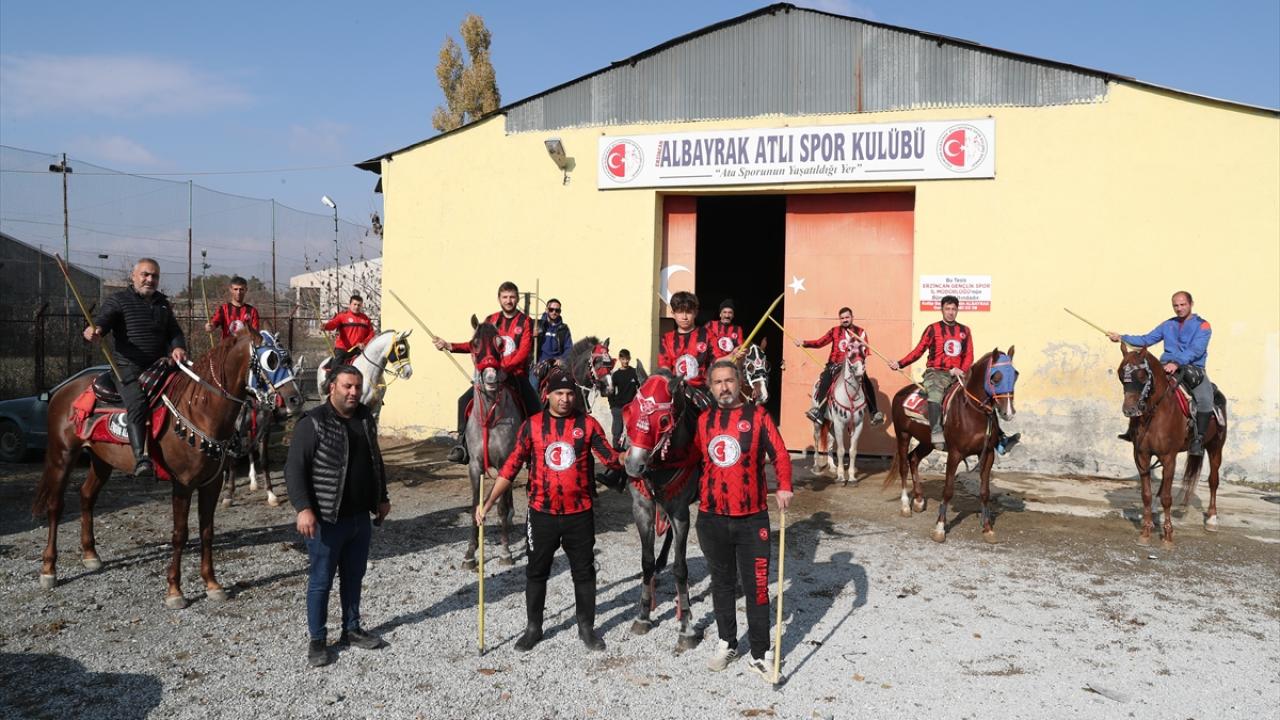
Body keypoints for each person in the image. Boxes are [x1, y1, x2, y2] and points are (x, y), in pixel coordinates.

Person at [475, 368, 621, 653]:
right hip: (541, 513)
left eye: (569, 393)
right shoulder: (532, 425)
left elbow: (611, 458)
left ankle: (586, 628)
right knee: (536, 571)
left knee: (584, 571)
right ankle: (533, 627)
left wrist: (636, 457)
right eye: (559, 393)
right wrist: (489, 501)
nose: (565, 399)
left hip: (579, 513)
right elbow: (512, 466)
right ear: (548, 395)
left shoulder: (588, 425)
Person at [285, 365, 391, 668]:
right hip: (326, 520)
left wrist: (382, 497)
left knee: (354, 577)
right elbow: (294, 469)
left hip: (359, 518)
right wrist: (303, 508)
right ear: (332, 387)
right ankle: (317, 640)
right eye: (347, 386)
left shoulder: (364, 418)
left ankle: (352, 629)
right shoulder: (313, 422)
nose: (354, 392)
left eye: (357, 386)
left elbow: (376, 460)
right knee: (321, 581)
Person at [696, 359, 793, 680]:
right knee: (721, 583)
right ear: (710, 388)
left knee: (758, 588)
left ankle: (760, 653)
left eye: (729, 381)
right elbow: (693, 461)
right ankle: (726, 642)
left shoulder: (759, 416)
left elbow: (779, 453)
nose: (724, 387)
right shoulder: (704, 420)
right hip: (711, 518)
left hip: (752, 518)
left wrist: (785, 487)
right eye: (717, 382)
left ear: (740, 383)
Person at [83, 257, 187, 479]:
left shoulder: (162, 303)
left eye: (155, 276)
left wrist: (178, 347)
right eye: (145, 274)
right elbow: (103, 320)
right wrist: (95, 330)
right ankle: (141, 458)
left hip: (160, 367)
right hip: (126, 369)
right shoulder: (118, 300)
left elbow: (174, 332)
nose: (150, 279)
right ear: (134, 276)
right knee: (138, 404)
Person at [434, 281, 542, 463]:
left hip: (514, 376)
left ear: (517, 299)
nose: (509, 301)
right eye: (505, 297)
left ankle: (535, 452)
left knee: (534, 406)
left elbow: (523, 351)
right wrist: (450, 345)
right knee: (463, 401)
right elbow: (476, 344)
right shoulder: (491, 320)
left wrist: (503, 369)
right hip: (490, 376)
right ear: (499, 299)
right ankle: (462, 445)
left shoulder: (526, 322)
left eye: (512, 297)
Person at [1107, 291, 1215, 456]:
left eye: (1182, 305)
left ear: (1191, 304)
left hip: (1193, 369)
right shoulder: (1167, 325)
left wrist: (1177, 362)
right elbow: (1146, 339)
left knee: (1206, 399)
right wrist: (1122, 337)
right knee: (1141, 389)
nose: (1179, 309)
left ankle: (1198, 440)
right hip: (1166, 367)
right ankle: (1132, 430)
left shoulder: (1203, 326)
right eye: (1175, 306)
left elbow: (1196, 349)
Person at [888, 295, 972, 448]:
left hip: (958, 374)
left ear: (957, 310)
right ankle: (936, 431)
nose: (951, 312)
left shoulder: (965, 331)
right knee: (935, 395)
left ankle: (999, 438)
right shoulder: (933, 329)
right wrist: (900, 363)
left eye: (954, 309)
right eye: (947, 309)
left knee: (980, 396)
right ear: (942, 310)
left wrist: (962, 369)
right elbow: (918, 351)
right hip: (937, 373)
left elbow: (969, 355)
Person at [799, 307, 884, 426]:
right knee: (824, 382)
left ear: (852, 317)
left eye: (847, 317)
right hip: (835, 364)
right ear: (839, 319)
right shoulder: (834, 331)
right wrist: (804, 343)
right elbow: (820, 342)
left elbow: (864, 351)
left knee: (867, 383)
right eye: (842, 318)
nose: (845, 320)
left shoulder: (861, 332)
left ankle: (874, 413)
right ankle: (819, 413)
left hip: (853, 366)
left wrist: (859, 364)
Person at [658, 291, 714, 407]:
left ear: (695, 313)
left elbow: (719, 362)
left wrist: (734, 355)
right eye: (679, 312)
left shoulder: (707, 334)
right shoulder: (666, 339)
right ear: (673, 313)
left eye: (688, 312)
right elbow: (665, 368)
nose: (684, 317)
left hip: (703, 393)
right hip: (676, 393)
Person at [323, 294, 377, 367]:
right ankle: (331, 377)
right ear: (350, 304)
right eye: (354, 304)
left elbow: (371, 333)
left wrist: (364, 343)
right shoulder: (342, 316)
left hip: (358, 350)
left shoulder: (365, 318)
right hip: (342, 349)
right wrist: (325, 326)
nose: (356, 307)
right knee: (335, 368)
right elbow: (332, 324)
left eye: (359, 305)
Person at [608, 349, 641, 448]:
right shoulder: (616, 375)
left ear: (629, 359)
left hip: (632, 407)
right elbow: (611, 392)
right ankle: (616, 453)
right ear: (619, 359)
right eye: (623, 359)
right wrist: (612, 405)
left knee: (632, 431)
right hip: (618, 407)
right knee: (617, 432)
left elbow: (641, 388)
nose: (625, 361)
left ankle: (630, 453)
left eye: (627, 359)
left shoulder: (634, 372)